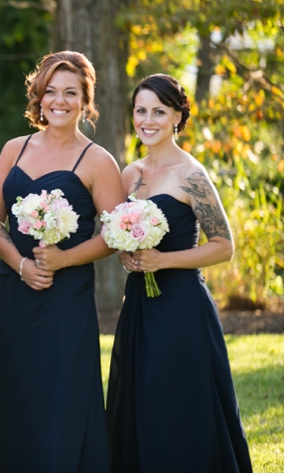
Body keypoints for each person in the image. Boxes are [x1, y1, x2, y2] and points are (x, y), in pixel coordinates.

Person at [0, 51, 125, 472]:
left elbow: (113, 234)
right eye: (50, 92)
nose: (58, 101)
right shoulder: (13, 149)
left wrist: (63, 261)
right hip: (13, 290)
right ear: (38, 97)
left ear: (85, 100)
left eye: (70, 92)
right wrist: (20, 264)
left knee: (63, 390)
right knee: (11, 386)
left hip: (67, 294)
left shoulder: (98, 161)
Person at [107, 74, 253, 472]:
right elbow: (122, 234)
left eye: (158, 111)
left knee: (177, 396)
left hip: (182, 304)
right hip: (139, 302)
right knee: (140, 393)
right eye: (141, 111)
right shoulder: (129, 173)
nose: (147, 120)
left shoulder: (192, 175)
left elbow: (224, 246)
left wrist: (163, 261)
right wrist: (128, 255)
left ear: (177, 116)